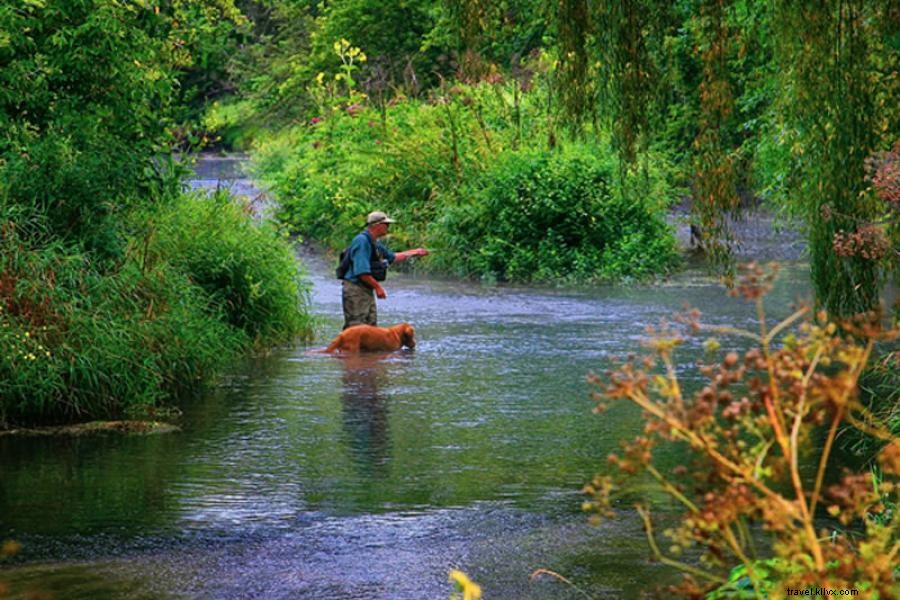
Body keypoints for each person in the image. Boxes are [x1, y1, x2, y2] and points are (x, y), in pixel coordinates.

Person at [339, 210, 429, 329]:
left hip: (365, 288)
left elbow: (392, 257)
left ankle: (367, 348)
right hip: (355, 290)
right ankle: (347, 348)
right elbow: (361, 272)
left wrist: (415, 252)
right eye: (386, 225)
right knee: (356, 329)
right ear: (378, 226)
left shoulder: (373, 241)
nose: (388, 228)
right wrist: (378, 287)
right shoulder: (362, 241)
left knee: (370, 328)